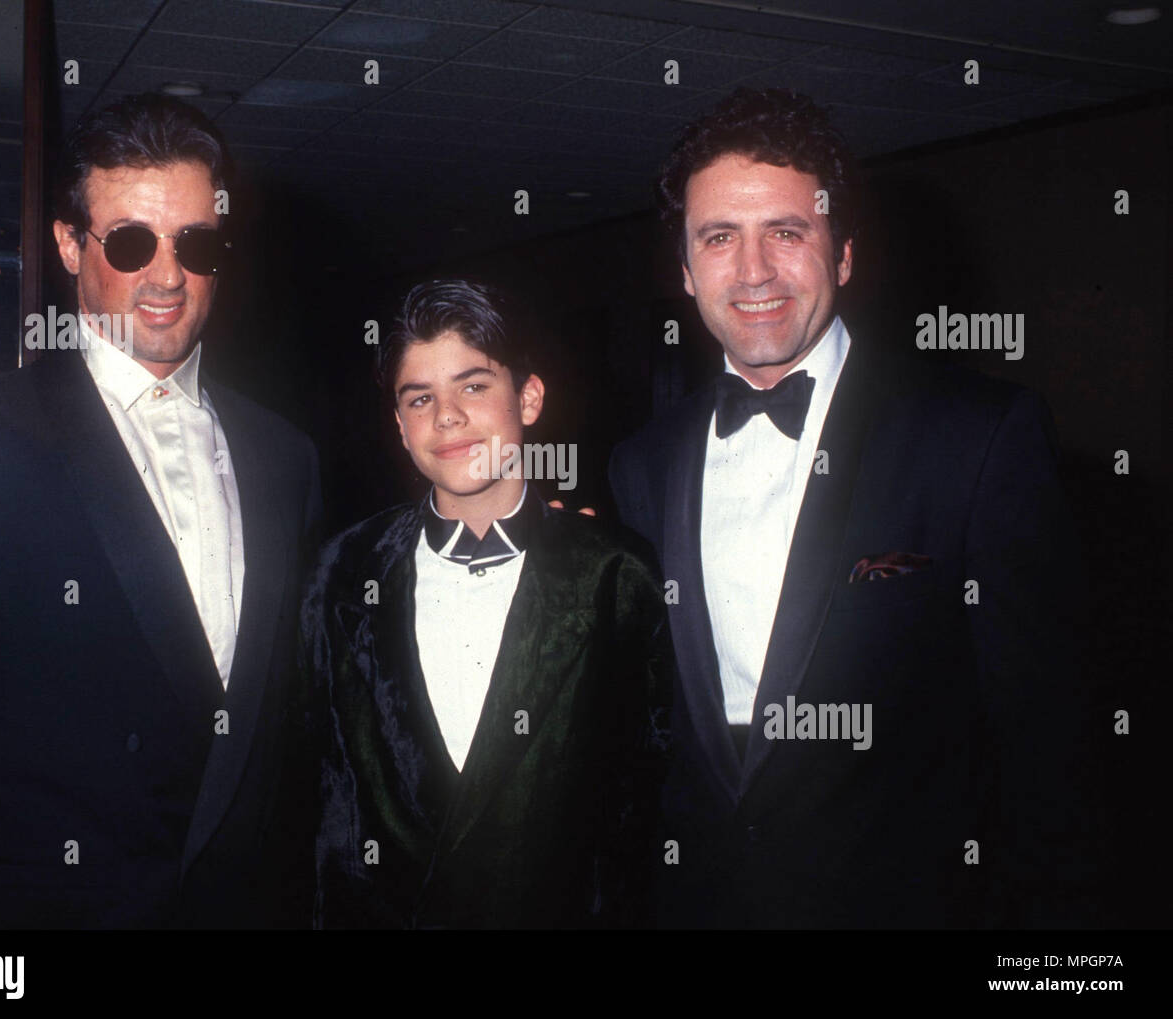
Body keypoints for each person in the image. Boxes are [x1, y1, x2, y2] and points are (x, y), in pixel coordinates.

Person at [609, 88, 1098, 928]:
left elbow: (1049, 750)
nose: (753, 271)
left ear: (841, 254)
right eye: (720, 238)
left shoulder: (978, 436)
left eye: (787, 233)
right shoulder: (638, 465)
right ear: (686, 271)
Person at [0, 93, 321, 928]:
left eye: (195, 242)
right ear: (69, 245)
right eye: (129, 241)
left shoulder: (285, 460)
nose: (166, 274)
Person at [300, 280, 671, 928]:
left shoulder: (619, 575)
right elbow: (322, 800)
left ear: (528, 397)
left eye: (473, 385)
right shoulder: (341, 571)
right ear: (398, 421)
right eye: (420, 397)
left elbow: (648, 808)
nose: (446, 416)